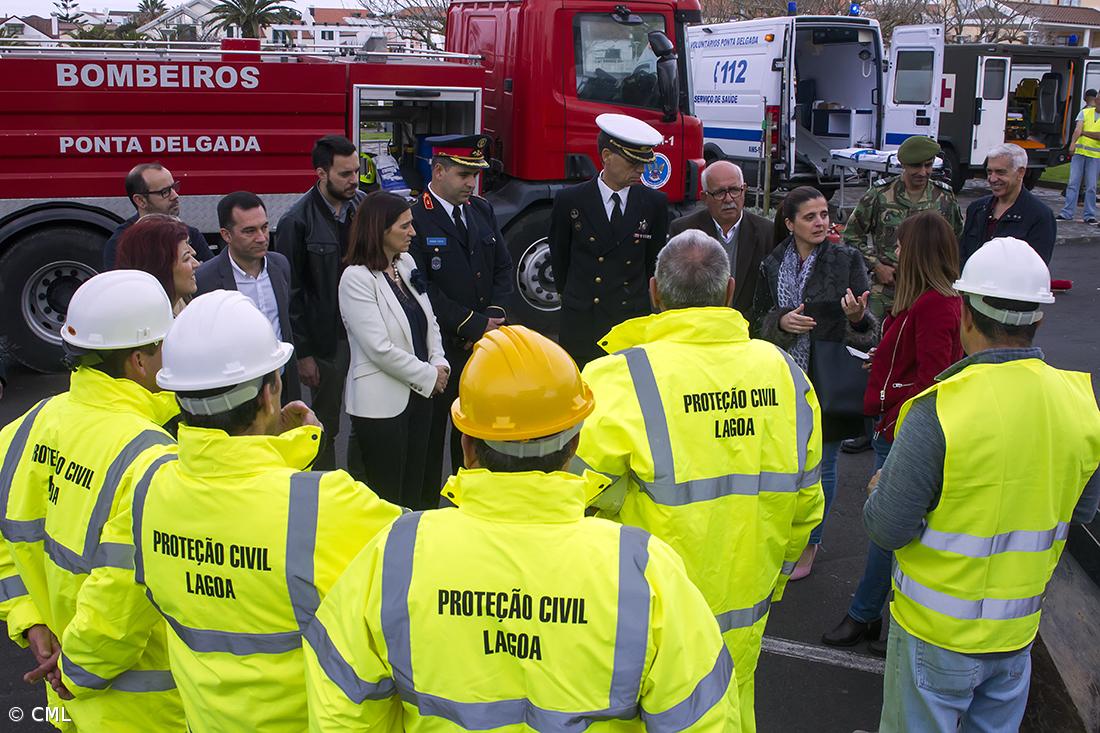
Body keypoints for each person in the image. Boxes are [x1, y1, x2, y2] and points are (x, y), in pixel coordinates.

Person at [303, 325, 740, 731]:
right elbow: (703, 718)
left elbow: (341, 706)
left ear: (467, 446)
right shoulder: (644, 571)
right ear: (573, 446)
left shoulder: (395, 556)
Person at [575, 230, 823, 733]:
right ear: (730, 291)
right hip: (745, 609)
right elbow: (805, 504)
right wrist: (772, 583)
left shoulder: (617, 378)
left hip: (642, 615)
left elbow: (570, 506)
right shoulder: (785, 374)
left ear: (654, 292)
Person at [123, 290, 402, 732]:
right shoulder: (327, 503)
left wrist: (287, 449)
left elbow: (238, 492)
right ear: (270, 396)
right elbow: (422, 553)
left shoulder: (147, 488)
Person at [866, 237, 1100, 732]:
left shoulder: (938, 410)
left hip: (934, 635)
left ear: (966, 316)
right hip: (1016, 634)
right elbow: (1080, 512)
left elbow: (887, 528)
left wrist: (877, 492)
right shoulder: (1081, 404)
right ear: (1039, 318)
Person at [0, 270, 185, 731]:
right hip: (138, 708)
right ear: (139, 361)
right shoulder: (151, 457)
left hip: (62, 697)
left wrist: (29, 619)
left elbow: (8, 540)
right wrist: (75, 672)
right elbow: (118, 600)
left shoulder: (26, 427)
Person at [822, 210, 963, 655]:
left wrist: (893, 402)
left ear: (917, 250)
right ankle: (870, 615)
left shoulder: (935, 305)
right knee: (890, 534)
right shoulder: (925, 299)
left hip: (902, 432)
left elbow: (933, 379)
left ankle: (866, 614)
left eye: (901, 244)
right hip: (895, 426)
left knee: (889, 533)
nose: (895, 250)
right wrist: (879, 355)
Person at [752, 186, 877, 579]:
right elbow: (756, 319)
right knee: (781, 464)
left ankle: (811, 542)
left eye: (824, 214)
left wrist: (857, 318)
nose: (821, 222)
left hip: (828, 379)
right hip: (782, 378)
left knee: (822, 466)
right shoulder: (773, 262)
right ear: (790, 224)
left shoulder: (846, 259)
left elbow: (867, 332)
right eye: (810, 216)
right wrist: (781, 321)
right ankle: (782, 534)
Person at [409, 134, 512, 505]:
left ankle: (466, 507)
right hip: (439, 350)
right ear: (438, 171)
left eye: (475, 175)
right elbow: (421, 287)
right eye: (463, 174)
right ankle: (422, 511)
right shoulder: (416, 217)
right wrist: (473, 325)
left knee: (473, 436)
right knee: (430, 439)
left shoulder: (480, 210)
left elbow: (502, 267)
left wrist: (493, 318)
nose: (471, 183)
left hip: (481, 349)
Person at [341, 191, 449, 508]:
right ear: (380, 229)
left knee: (416, 489)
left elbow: (430, 321)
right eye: (405, 226)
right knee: (386, 497)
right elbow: (379, 348)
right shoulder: (356, 278)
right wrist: (429, 375)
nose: (413, 232)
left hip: (421, 397)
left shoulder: (406, 263)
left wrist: (440, 362)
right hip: (382, 406)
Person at [549, 113, 670, 368]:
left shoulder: (654, 204)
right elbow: (560, 257)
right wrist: (572, 298)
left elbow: (653, 263)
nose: (641, 170)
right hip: (583, 321)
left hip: (630, 320)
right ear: (606, 156)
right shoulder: (571, 200)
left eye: (643, 163)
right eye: (633, 162)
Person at [276, 134, 367, 470]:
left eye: (356, 171)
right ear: (321, 173)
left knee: (368, 417)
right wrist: (304, 355)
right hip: (327, 342)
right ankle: (323, 484)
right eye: (345, 174)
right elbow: (292, 294)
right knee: (324, 425)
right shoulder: (296, 221)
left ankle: (360, 485)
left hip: (365, 333)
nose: (354, 180)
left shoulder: (362, 207)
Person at [843, 136, 963, 319]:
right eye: (916, 166)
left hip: (929, 290)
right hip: (889, 290)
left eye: (928, 165)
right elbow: (851, 236)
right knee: (880, 333)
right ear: (903, 164)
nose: (923, 172)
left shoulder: (944, 197)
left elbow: (955, 240)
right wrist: (876, 266)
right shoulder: (880, 194)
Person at [195, 191, 299, 403]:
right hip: (237, 392)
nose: (262, 238)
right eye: (249, 231)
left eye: (264, 227)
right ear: (226, 235)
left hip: (282, 384)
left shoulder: (280, 265)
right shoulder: (205, 279)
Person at [669, 160, 773, 314]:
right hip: (698, 323)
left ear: (744, 189)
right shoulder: (683, 230)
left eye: (735, 190)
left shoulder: (767, 231)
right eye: (719, 193)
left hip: (747, 325)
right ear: (704, 197)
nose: (729, 199)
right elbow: (673, 287)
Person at [959, 143, 1056, 265]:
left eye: (1000, 172)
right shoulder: (976, 209)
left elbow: (1036, 268)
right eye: (989, 172)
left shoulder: (1040, 216)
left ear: (1020, 173)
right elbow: (962, 256)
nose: (992, 179)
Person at [102, 162, 212, 270]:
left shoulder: (191, 234)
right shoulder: (120, 244)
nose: (175, 195)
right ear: (140, 200)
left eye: (174, 187)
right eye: (165, 192)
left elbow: (211, 275)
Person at [115, 213, 199, 315]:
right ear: (159, 267)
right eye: (186, 259)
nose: (196, 264)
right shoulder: (143, 319)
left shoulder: (186, 302)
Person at [1057, 89, 1100, 224]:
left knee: (1091, 186)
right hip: (1079, 153)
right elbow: (1077, 129)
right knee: (1073, 183)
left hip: (1095, 155)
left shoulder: (1085, 114)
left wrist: (1084, 132)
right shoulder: (1085, 112)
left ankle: (1089, 215)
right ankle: (1067, 213)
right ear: (1097, 99)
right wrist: (1072, 143)